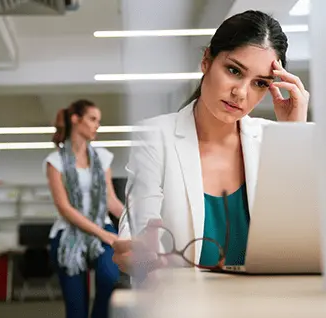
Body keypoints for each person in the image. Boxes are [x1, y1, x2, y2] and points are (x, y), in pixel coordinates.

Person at [113, 10, 310, 275]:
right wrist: (140, 254)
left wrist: (293, 136)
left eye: (260, 83)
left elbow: (302, 243)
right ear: (206, 60)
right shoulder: (155, 137)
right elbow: (138, 226)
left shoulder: (273, 142)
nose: (241, 93)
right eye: (233, 70)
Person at [44, 99, 124, 318]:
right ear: (75, 120)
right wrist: (103, 235)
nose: (97, 125)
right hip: (68, 234)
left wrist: (135, 220)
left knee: (109, 276)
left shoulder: (102, 157)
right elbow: (65, 208)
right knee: (76, 309)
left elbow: (111, 200)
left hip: (103, 228)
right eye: (92, 119)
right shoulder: (55, 162)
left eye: (98, 121)